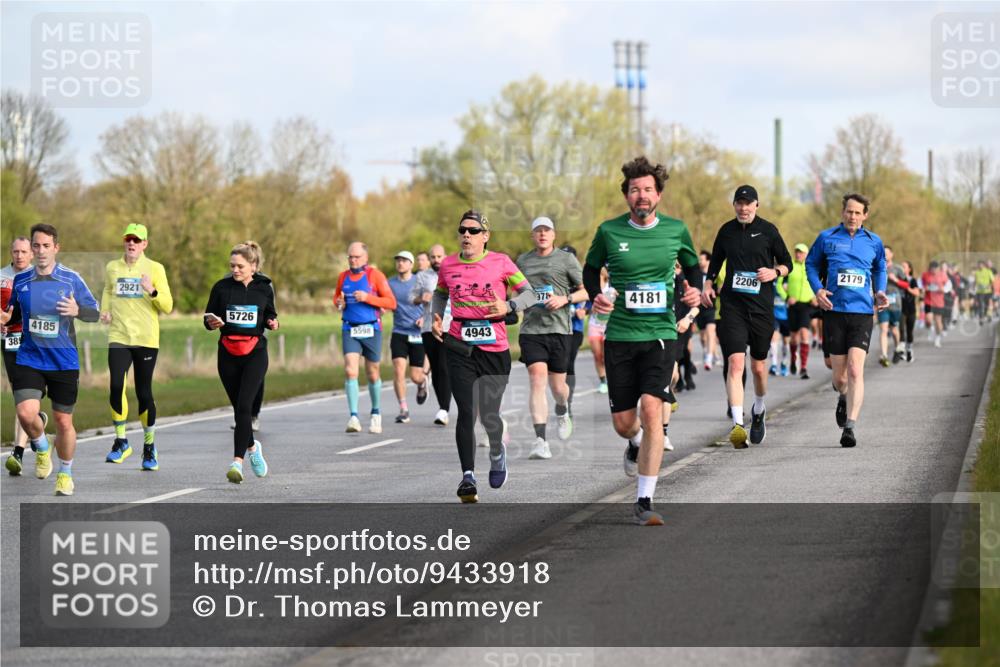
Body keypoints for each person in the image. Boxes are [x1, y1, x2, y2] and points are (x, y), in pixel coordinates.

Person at [583, 156, 702, 526]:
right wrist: (595, 295)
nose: (641, 195)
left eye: (648, 189)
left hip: (660, 335)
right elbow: (590, 271)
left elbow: (693, 265)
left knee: (652, 410)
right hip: (619, 335)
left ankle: (644, 499)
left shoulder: (676, 231)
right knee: (624, 422)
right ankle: (633, 443)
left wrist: (695, 290)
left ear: (659, 195)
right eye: (635, 190)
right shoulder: (609, 231)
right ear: (627, 195)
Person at [431, 210, 535, 503]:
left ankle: (498, 452)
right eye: (463, 229)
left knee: (489, 415)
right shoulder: (449, 264)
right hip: (458, 346)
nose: (467, 235)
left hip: (494, 348)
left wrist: (509, 306)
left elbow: (530, 294)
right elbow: (440, 293)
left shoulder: (501, 262)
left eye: (474, 231)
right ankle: (467, 477)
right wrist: (436, 317)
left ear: (485, 236)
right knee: (466, 411)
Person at [0, 223, 100, 496]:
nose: (41, 251)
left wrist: (78, 309)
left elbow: (94, 312)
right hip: (30, 356)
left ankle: (65, 473)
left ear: (56, 248)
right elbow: (16, 314)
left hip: (63, 361)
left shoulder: (71, 279)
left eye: (46, 246)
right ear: (31, 249)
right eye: (37, 245)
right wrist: (8, 319)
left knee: (64, 421)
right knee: (25, 412)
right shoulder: (21, 281)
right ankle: (42, 446)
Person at [702, 185, 792, 448]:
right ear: (734, 205)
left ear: (756, 205)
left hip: (761, 308)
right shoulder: (726, 231)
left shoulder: (768, 231)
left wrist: (775, 273)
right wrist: (708, 285)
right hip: (732, 306)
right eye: (739, 203)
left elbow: (788, 262)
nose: (743, 208)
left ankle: (759, 408)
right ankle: (738, 425)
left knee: (758, 367)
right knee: (735, 363)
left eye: (748, 203)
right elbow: (715, 263)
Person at [805, 193, 888, 448]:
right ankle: (842, 396)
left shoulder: (874, 242)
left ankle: (850, 427)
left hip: (862, 312)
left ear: (865, 215)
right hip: (834, 311)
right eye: (849, 211)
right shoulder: (826, 237)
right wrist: (818, 289)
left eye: (857, 212)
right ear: (843, 212)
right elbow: (810, 264)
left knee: (855, 370)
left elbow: (880, 268)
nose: (852, 216)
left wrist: (880, 290)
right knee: (839, 377)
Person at [99, 223, 174, 470]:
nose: (131, 243)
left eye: (137, 240)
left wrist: (151, 290)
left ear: (145, 244)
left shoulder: (155, 268)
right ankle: (121, 442)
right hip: (119, 336)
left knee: (144, 393)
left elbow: (167, 306)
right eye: (128, 239)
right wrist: (106, 310)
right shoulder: (113, 267)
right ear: (124, 241)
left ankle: (149, 446)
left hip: (145, 339)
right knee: (116, 385)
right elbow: (108, 290)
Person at [203, 241, 278, 483]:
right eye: (232, 266)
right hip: (227, 353)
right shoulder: (221, 287)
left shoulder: (265, 288)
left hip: (255, 352)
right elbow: (207, 318)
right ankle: (254, 449)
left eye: (240, 266)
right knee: (239, 409)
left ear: (253, 266)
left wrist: (272, 322)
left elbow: (270, 313)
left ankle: (237, 463)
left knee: (245, 406)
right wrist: (211, 323)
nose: (235, 270)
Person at [515, 218, 587, 461]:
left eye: (546, 230)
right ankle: (540, 441)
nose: (542, 234)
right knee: (537, 381)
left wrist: (565, 299)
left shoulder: (566, 259)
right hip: (531, 330)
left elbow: (587, 290)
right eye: (538, 231)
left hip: (559, 330)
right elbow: (515, 291)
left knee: (558, 389)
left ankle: (562, 409)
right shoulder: (523, 261)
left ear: (554, 235)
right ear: (532, 235)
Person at [334, 242, 397, 434]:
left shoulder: (375, 276)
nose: (353, 260)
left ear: (365, 258)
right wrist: (339, 302)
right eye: (350, 257)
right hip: (350, 328)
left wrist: (368, 298)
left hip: (371, 328)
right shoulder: (343, 276)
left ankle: (375, 413)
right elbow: (337, 298)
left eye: (357, 257)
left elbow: (391, 302)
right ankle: (353, 416)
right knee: (350, 370)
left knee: (372, 372)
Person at [1, 237, 47, 475]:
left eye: (24, 251)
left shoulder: (39, 277)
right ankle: (36, 420)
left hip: (33, 343)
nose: (19, 255)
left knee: (23, 398)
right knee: (20, 399)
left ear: (32, 254)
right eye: (15, 251)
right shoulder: (1, 277)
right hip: (8, 342)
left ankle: (18, 451)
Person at [411, 244, 452, 426]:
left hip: (450, 326)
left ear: (445, 256)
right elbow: (412, 298)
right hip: (428, 327)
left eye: (439, 256)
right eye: (433, 257)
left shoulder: (453, 273)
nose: (436, 260)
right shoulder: (422, 276)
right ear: (429, 259)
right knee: (436, 368)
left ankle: (444, 409)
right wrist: (421, 298)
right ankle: (442, 405)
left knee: (444, 366)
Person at [387, 250, 427, 424]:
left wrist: (424, 318)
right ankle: (403, 409)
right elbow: (384, 301)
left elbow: (432, 304)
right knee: (398, 370)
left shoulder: (420, 282)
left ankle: (422, 383)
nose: (400, 263)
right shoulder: (390, 283)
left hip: (417, 334)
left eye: (404, 261)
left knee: (415, 376)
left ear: (411, 264)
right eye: (398, 260)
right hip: (399, 332)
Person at [560, 244, 588, 416]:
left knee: (568, 364)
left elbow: (592, 296)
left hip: (574, 328)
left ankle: (567, 404)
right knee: (558, 367)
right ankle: (560, 398)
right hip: (556, 327)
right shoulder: (554, 276)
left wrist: (585, 310)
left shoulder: (579, 279)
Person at [784, 243, 816, 379]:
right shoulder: (789, 266)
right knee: (793, 337)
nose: (798, 254)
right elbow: (780, 284)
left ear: (806, 254)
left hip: (807, 304)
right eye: (797, 252)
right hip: (793, 305)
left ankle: (803, 366)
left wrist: (816, 296)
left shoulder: (812, 266)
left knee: (804, 333)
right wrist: (787, 296)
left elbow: (818, 282)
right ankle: (793, 359)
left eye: (801, 252)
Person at [877, 245, 905, 366]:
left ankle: (898, 347)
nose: (885, 255)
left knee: (894, 329)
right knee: (883, 329)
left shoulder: (898, 269)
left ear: (892, 255)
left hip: (895, 304)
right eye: (883, 253)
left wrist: (896, 280)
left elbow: (907, 285)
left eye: (887, 253)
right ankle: (884, 355)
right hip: (882, 304)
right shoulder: (877, 268)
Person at [586, 266, 612, 394]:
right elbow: (586, 306)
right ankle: (603, 382)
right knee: (597, 355)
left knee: (607, 356)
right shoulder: (591, 289)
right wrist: (585, 310)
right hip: (594, 324)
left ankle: (613, 379)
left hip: (609, 325)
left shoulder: (611, 289)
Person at [695, 250, 720, 371]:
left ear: (708, 260)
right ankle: (707, 351)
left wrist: (718, 290)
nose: (700, 262)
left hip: (711, 307)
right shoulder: (696, 274)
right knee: (703, 337)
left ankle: (709, 358)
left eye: (702, 259)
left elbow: (720, 287)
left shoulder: (714, 275)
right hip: (699, 309)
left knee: (711, 332)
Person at [894, 260, 921, 362]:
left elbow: (917, 293)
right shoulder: (897, 279)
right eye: (901, 266)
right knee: (901, 329)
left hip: (911, 309)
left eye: (904, 266)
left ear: (909, 269)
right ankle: (901, 350)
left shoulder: (912, 280)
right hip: (900, 308)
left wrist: (906, 287)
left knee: (910, 331)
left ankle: (909, 350)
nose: (902, 268)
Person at [920, 261, 948, 348]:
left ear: (938, 268)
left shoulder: (942, 275)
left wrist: (944, 289)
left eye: (935, 269)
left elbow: (948, 285)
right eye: (932, 269)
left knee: (938, 322)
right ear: (930, 268)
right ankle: (930, 328)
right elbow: (921, 284)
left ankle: (937, 339)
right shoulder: (925, 275)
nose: (934, 270)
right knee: (928, 319)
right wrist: (924, 289)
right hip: (928, 301)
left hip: (939, 302)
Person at [974, 260, 994, 324]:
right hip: (980, 292)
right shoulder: (976, 272)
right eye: (979, 265)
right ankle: (981, 319)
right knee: (981, 305)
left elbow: (993, 281)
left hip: (988, 292)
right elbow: (976, 281)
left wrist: (989, 286)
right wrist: (973, 287)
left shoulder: (988, 271)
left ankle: (987, 315)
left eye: (981, 265)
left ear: (984, 265)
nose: (980, 266)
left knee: (987, 305)